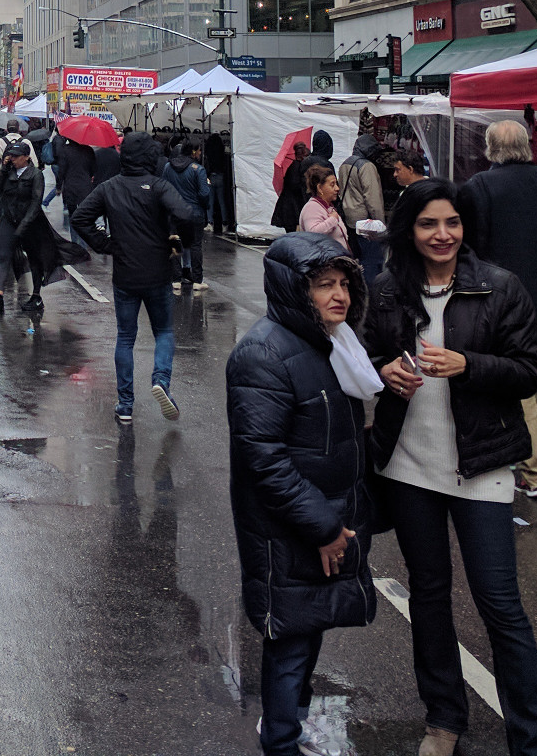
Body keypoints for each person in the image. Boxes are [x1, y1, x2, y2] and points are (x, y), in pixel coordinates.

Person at [365, 179, 537, 756]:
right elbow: (370, 353)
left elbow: (528, 371)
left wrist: (469, 364)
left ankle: (535, 738)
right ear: (410, 231)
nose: (442, 235)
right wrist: (384, 372)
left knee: (499, 603)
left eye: (451, 223)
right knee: (428, 595)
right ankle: (443, 720)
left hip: (482, 465)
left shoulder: (500, 288)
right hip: (409, 466)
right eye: (428, 224)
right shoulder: (388, 288)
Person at [227, 233, 382, 756]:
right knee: (290, 641)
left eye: (343, 284)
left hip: (323, 518)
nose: (338, 295)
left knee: (307, 631)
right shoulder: (263, 354)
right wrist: (323, 526)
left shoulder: (333, 344)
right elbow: (264, 458)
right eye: (323, 285)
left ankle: (287, 725)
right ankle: (281, 741)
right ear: (295, 290)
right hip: (290, 529)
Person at [454, 120, 537, 502]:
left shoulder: (480, 187)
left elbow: (473, 249)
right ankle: (521, 454)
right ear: (527, 146)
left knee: (518, 386)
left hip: (502, 301)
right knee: (533, 377)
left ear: (490, 148)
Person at [72, 133, 201, 423]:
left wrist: (106, 245)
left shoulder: (109, 187)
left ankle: (126, 404)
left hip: (125, 274)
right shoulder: (158, 186)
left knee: (126, 338)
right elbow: (186, 214)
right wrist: (182, 242)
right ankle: (161, 381)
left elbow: (80, 218)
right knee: (164, 332)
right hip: (157, 272)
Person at [0, 138, 57, 316]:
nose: (13, 159)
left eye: (17, 156)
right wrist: (3, 170)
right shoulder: (9, 173)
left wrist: (24, 225)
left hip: (31, 223)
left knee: (35, 259)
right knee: (4, 256)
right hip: (9, 220)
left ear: (26, 157)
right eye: (11, 155)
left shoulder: (35, 174)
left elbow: (36, 201)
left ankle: (36, 296)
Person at [161, 139, 211, 289]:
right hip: (194, 212)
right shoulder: (198, 169)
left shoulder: (168, 167)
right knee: (195, 245)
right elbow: (204, 193)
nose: (200, 153)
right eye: (199, 150)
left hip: (174, 211)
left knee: (175, 242)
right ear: (194, 152)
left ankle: (176, 279)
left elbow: (163, 188)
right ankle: (197, 280)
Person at [337, 134, 387, 252]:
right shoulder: (367, 166)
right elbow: (373, 199)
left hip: (348, 217)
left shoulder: (345, 163)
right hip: (365, 222)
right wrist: (381, 224)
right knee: (370, 258)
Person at [55, 132, 99, 247]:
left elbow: (61, 171)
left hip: (70, 186)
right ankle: (85, 242)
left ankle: (75, 242)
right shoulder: (88, 150)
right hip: (85, 186)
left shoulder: (64, 150)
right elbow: (94, 169)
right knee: (85, 215)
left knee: (72, 215)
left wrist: (59, 186)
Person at [297, 163, 349, 248]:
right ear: (320, 188)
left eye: (336, 184)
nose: (337, 188)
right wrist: (333, 219)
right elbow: (313, 233)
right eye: (332, 185)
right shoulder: (312, 208)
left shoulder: (327, 207)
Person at [203, 130, 231, 235]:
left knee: (210, 201)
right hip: (220, 176)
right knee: (222, 201)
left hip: (211, 176)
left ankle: (210, 223)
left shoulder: (209, 152)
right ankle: (225, 224)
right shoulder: (222, 152)